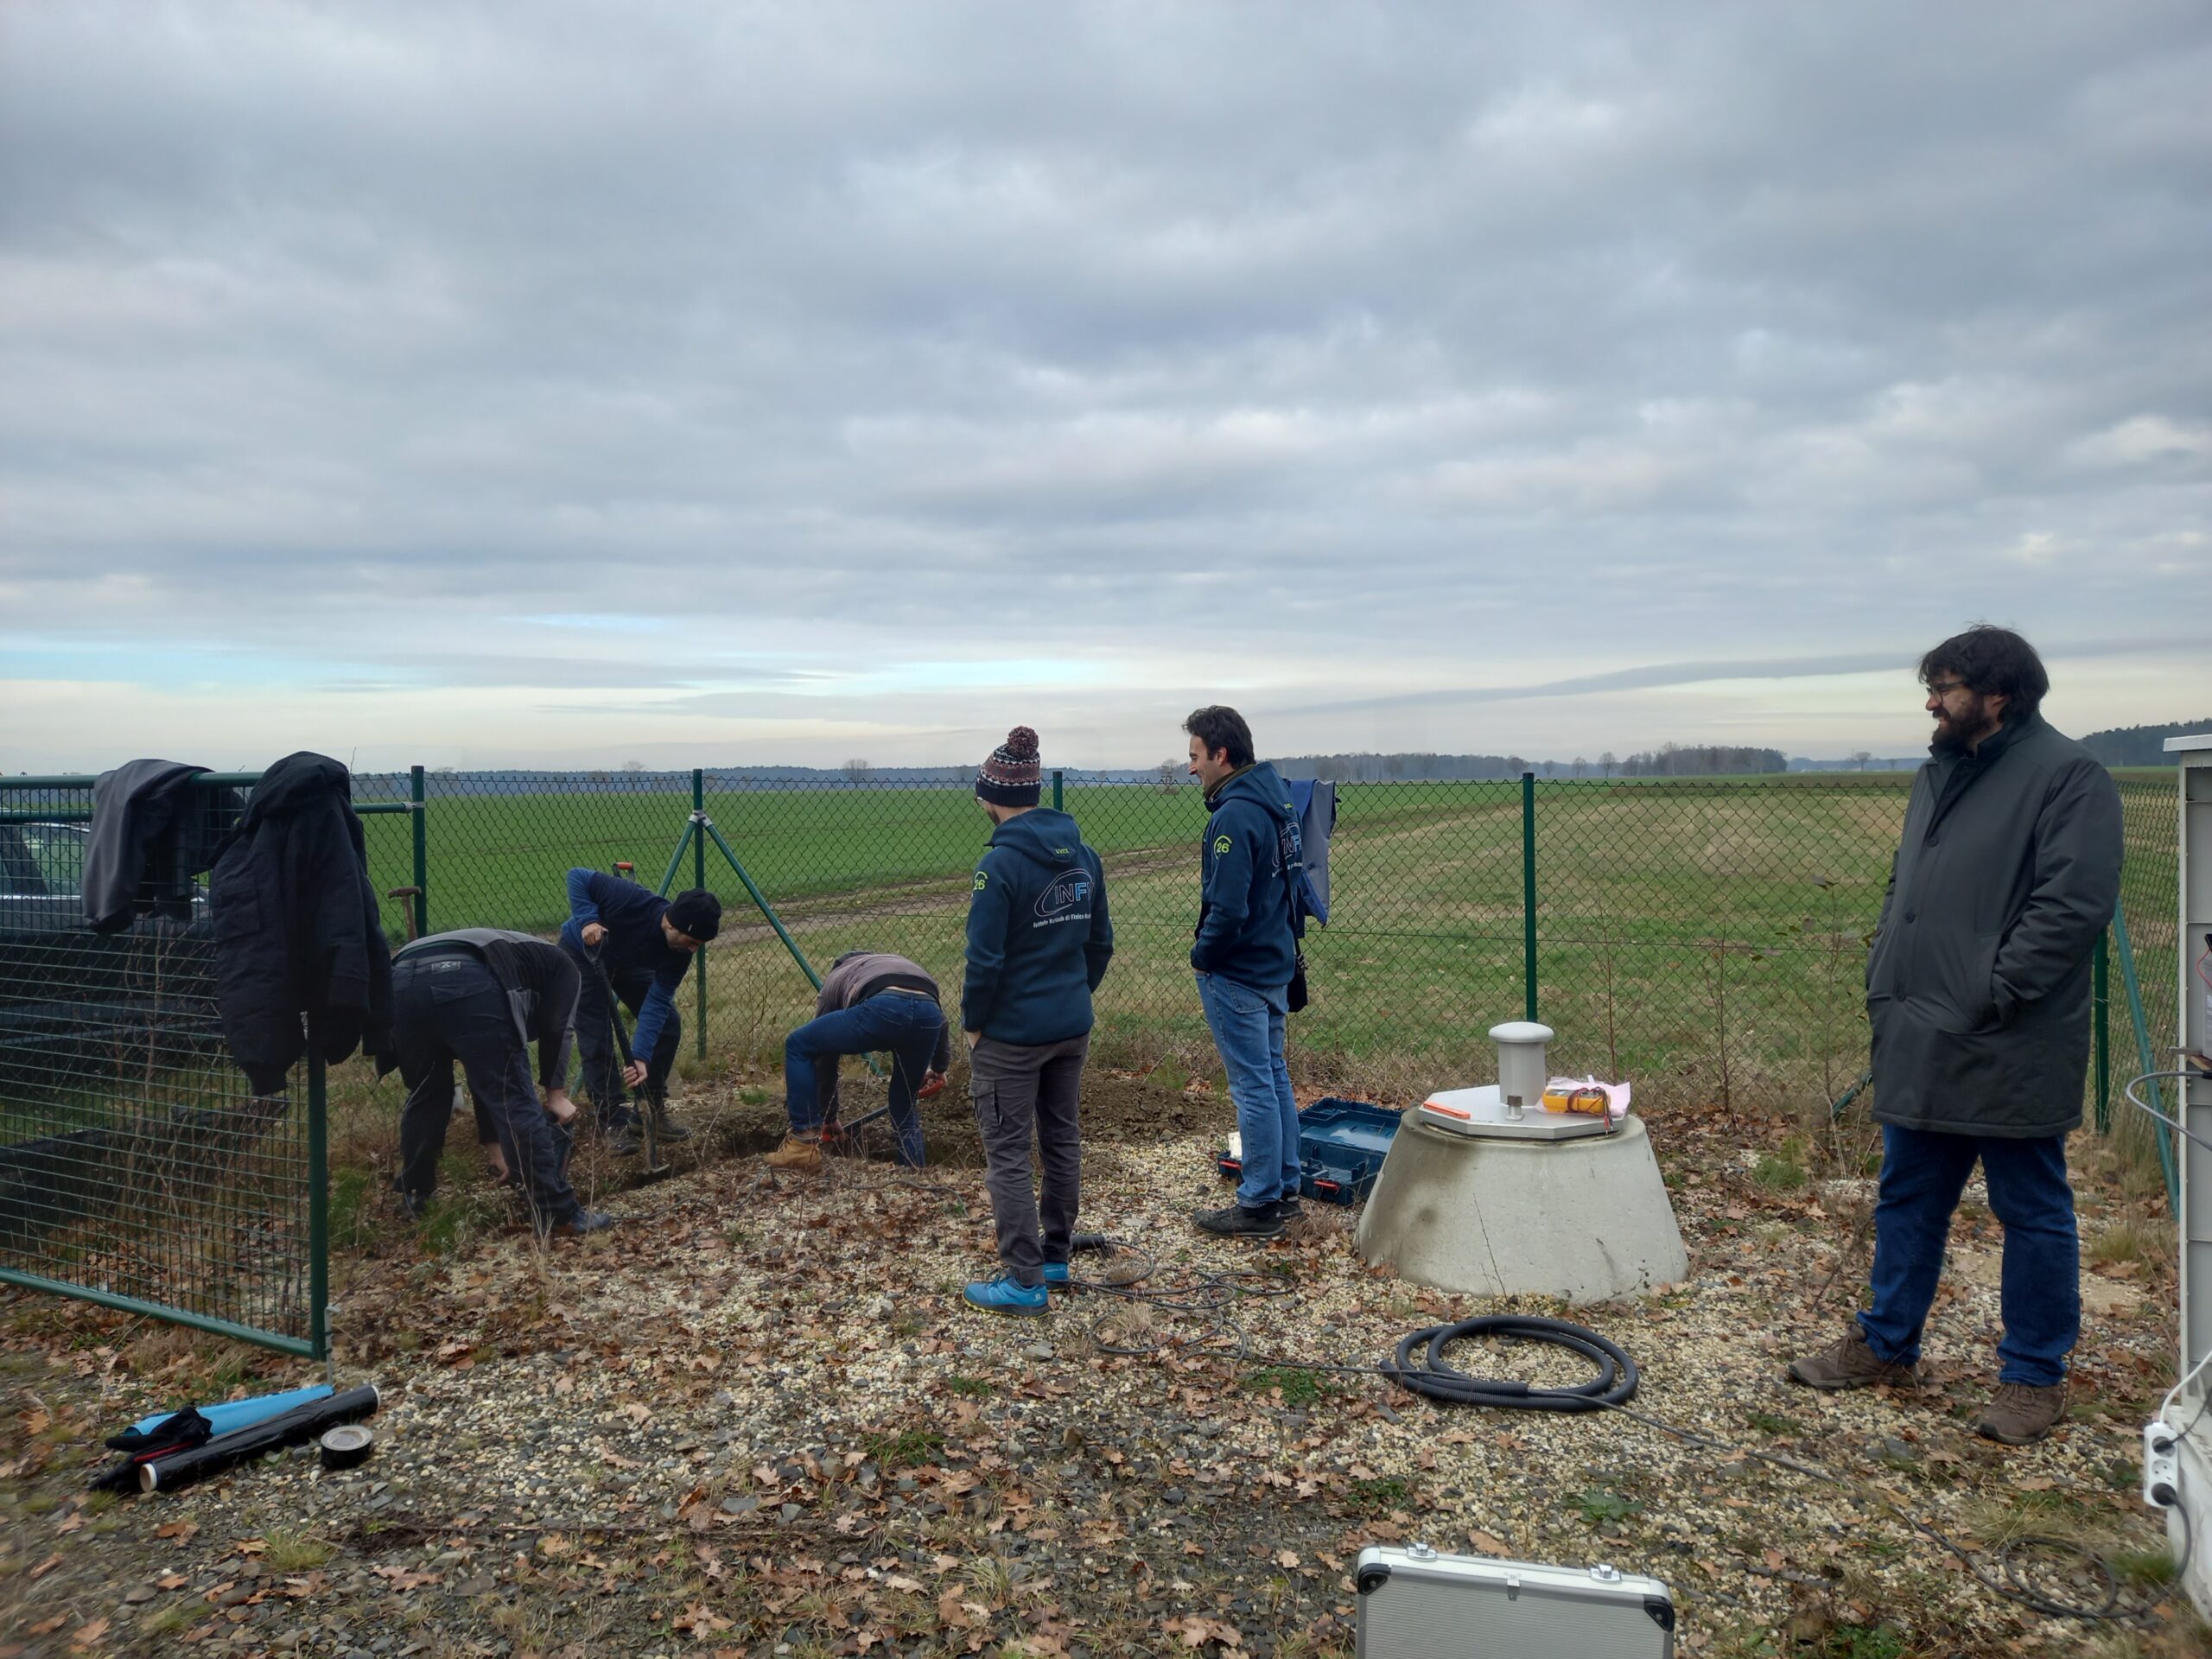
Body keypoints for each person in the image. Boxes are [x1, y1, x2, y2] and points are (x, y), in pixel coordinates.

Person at [1787, 626, 2122, 1446]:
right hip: (1919, 1027)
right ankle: (1885, 1344)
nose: (1931, 703)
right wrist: (1886, 968)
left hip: (2009, 1038)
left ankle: (2034, 1379)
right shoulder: (1938, 775)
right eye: (1931, 687)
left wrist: (1993, 992)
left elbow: (2071, 907)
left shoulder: (2068, 778)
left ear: (1997, 695)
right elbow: (1909, 884)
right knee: (1908, 1195)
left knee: (2032, 1211)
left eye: (1943, 687)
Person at [959, 727, 1114, 1315]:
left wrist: (976, 1024)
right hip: (1071, 1027)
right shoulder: (1085, 855)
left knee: (1008, 1152)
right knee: (1061, 1138)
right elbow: (1101, 943)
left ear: (990, 798)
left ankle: (1025, 1281)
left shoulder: (996, 868)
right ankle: (1056, 1256)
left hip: (1011, 1037)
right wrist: (1075, 994)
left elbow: (985, 960)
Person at [381, 927, 612, 1236]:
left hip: (400, 980)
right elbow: (559, 1029)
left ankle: (416, 1197)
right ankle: (557, 1213)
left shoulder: (525, 959)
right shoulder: (565, 968)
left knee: (426, 1094)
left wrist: (497, 1151)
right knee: (514, 1096)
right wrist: (556, 1095)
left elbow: (483, 1072)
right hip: (467, 977)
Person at [1182, 706, 1306, 1240]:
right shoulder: (1277, 802)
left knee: (1253, 1085)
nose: (1190, 768)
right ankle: (1284, 1188)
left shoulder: (1233, 815)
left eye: (1195, 756)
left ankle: (1257, 1203)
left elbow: (1227, 909)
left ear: (1220, 755)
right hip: (1274, 963)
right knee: (1273, 1076)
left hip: (1239, 972)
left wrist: (1203, 955)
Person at [558, 869, 721, 1154]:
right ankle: (612, 1122)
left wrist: (641, 1056)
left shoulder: (678, 954)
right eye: (692, 941)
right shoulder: (630, 899)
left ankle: (648, 1110)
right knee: (597, 1038)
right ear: (672, 924)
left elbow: (656, 1003)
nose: (694, 951)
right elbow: (578, 877)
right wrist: (588, 920)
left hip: (627, 962)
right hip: (585, 953)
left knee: (668, 1023)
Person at [766, 950, 951, 1172]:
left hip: (883, 1007)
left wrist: (828, 1115)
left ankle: (802, 1145)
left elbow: (824, 1057)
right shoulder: (894, 963)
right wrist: (939, 1067)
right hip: (928, 1012)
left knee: (798, 1045)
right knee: (904, 1103)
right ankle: (913, 1176)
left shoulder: (837, 977)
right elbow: (942, 1022)